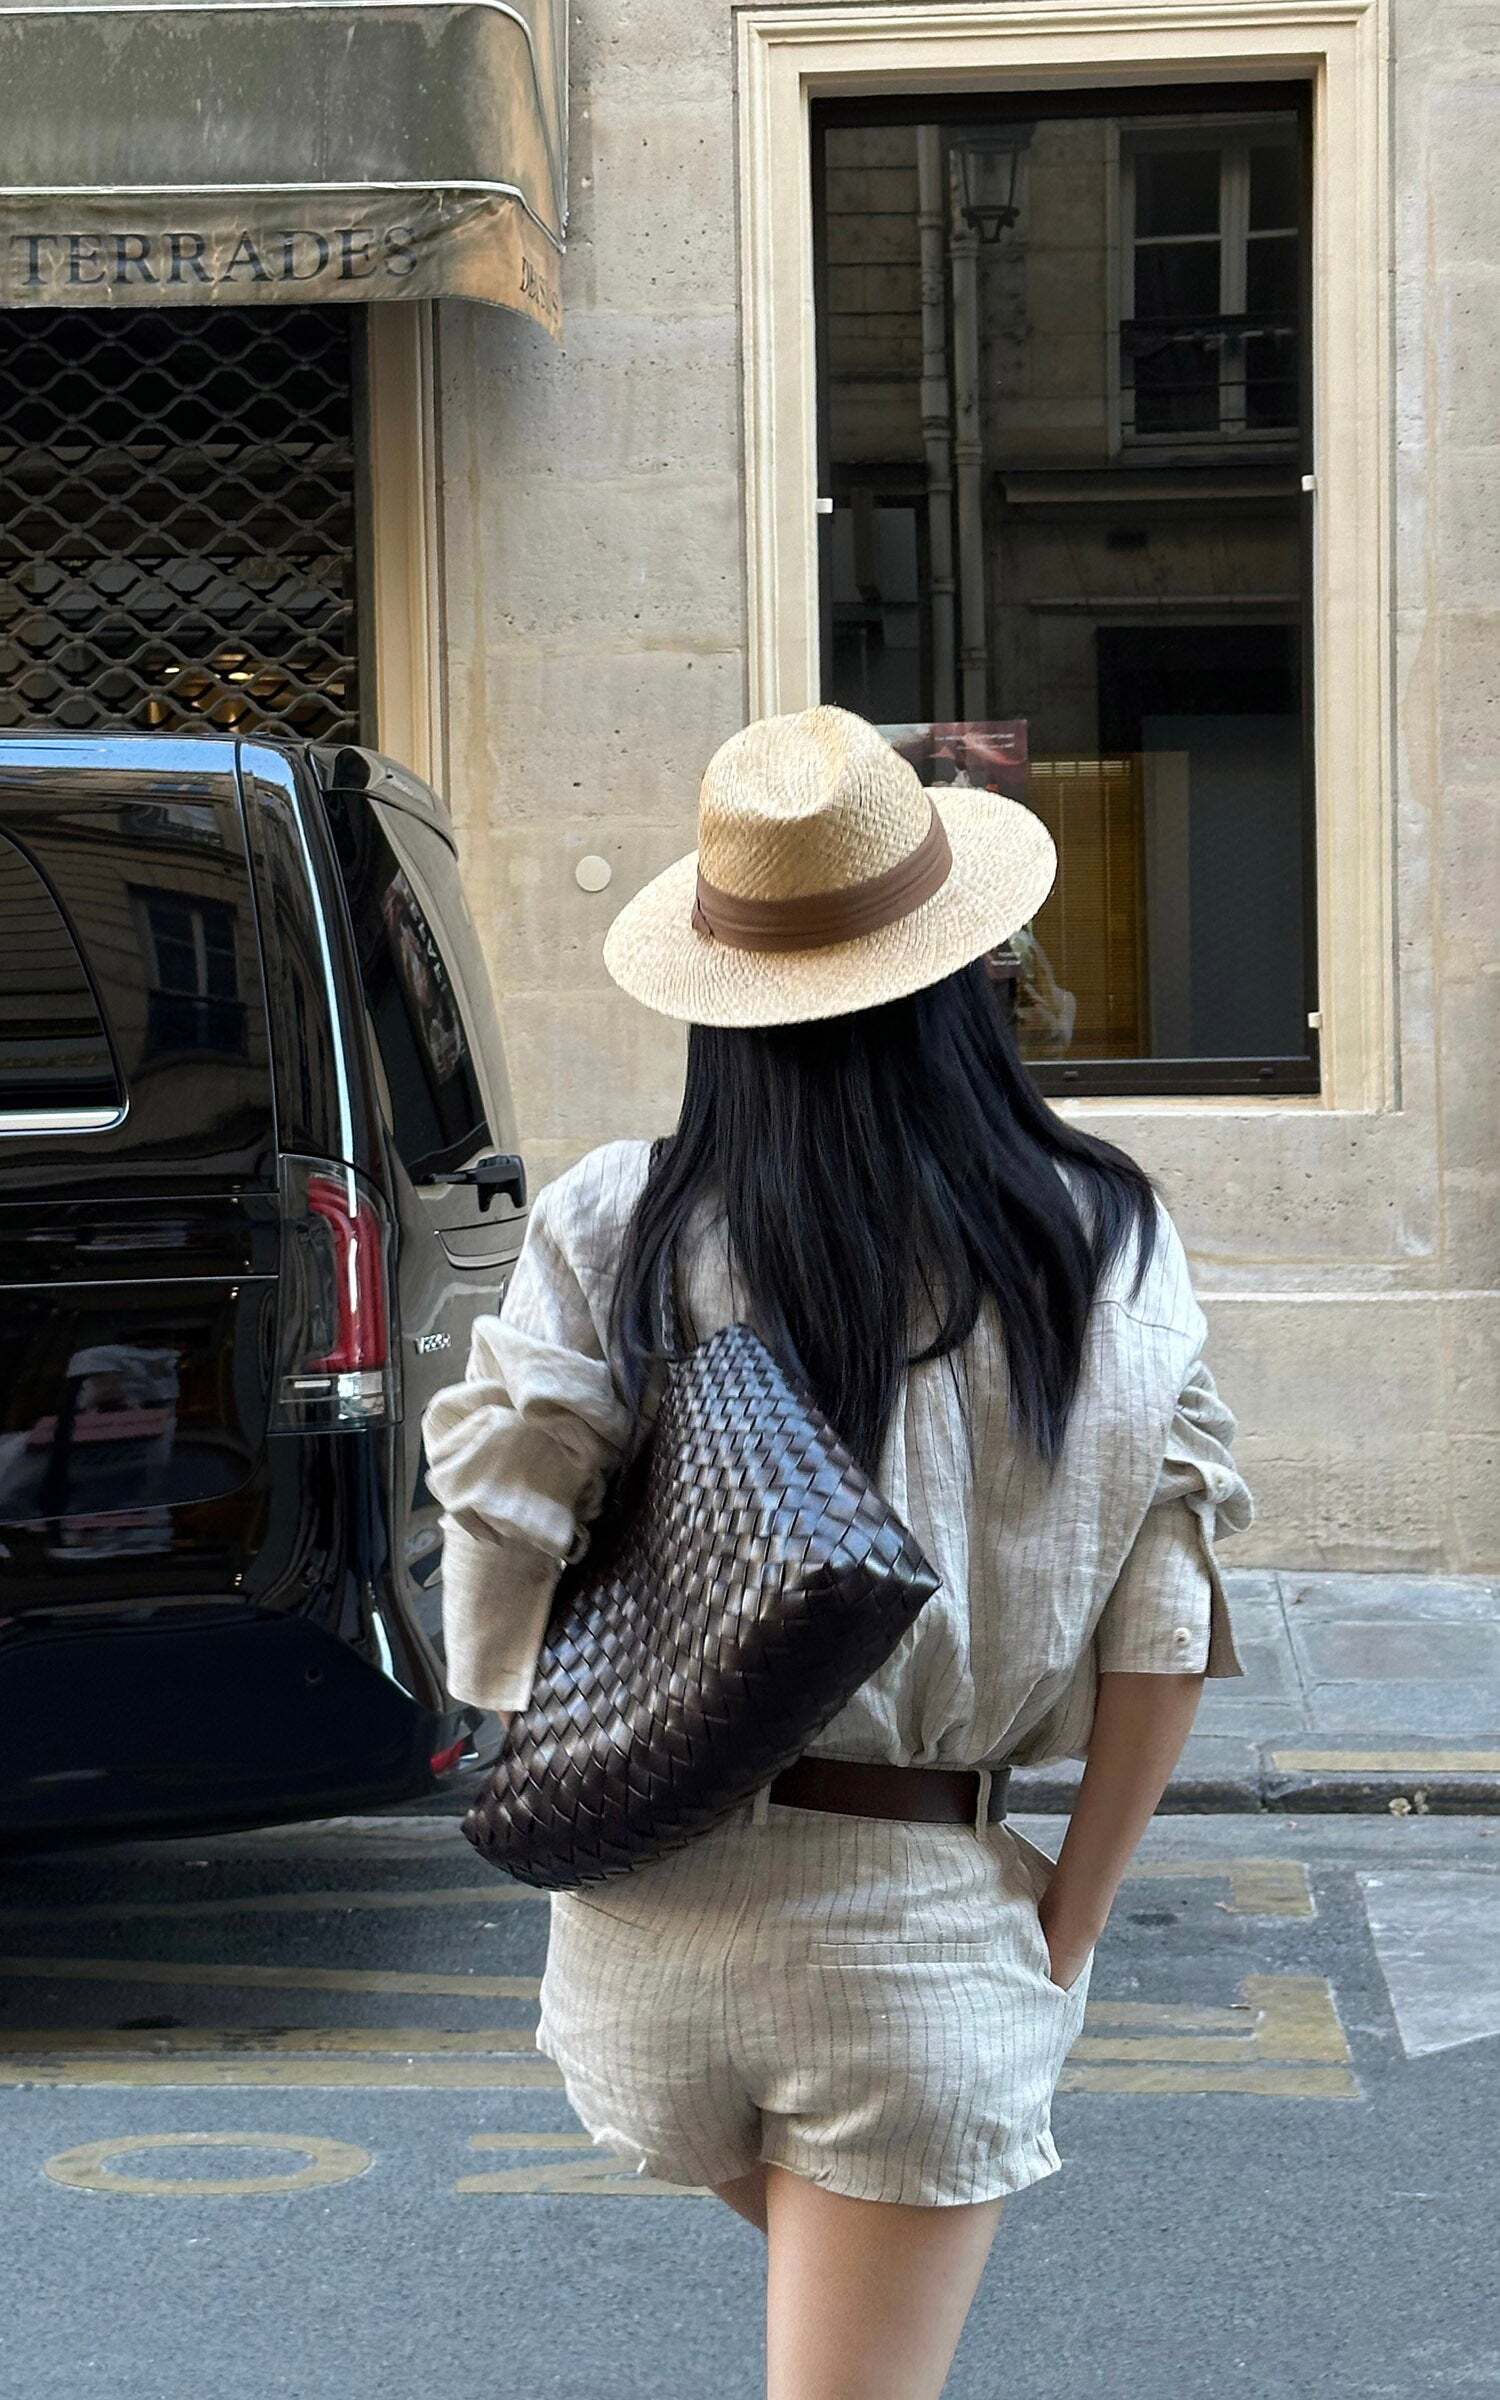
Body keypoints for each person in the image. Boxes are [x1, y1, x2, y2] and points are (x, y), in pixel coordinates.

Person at [423, 705, 1253, 2400]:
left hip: (641, 1917)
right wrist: (1067, 1929)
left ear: (720, 998)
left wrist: (531, 1724)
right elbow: (1160, 1628)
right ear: (966, 977)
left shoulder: (622, 1217)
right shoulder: (1096, 1235)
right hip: (910, 1931)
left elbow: (501, 1523)